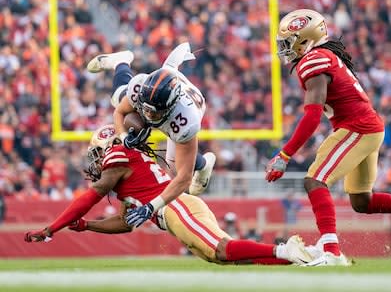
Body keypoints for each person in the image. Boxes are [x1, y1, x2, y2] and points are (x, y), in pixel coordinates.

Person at [265, 9, 391, 266]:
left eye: (288, 43)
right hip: (367, 127)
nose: (284, 49)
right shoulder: (324, 56)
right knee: (361, 201)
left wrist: (284, 154)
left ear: (306, 40)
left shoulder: (313, 60)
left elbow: (311, 117)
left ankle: (331, 251)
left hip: (357, 128)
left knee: (315, 180)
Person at [24, 125, 313, 265]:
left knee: (222, 249)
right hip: (174, 209)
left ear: (109, 146)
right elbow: (127, 222)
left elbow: (91, 196)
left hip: (176, 206)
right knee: (220, 257)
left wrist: (52, 228)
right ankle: (297, 259)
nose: (97, 161)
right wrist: (88, 226)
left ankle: (285, 250)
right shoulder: (128, 170)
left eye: (98, 153)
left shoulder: (118, 155)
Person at [86, 42, 215, 208]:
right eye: (145, 109)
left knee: (173, 161)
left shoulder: (184, 121)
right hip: (165, 90)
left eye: (153, 112)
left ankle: (204, 165)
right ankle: (121, 61)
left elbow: (184, 179)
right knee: (118, 98)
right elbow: (119, 113)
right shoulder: (140, 85)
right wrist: (123, 136)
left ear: (170, 106)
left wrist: (152, 206)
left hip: (187, 108)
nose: (147, 115)